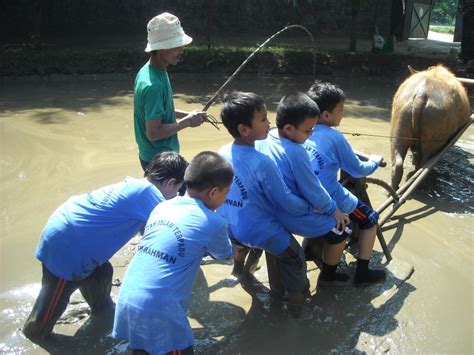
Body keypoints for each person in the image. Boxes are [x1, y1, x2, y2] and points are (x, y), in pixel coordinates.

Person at [22, 152, 188, 339]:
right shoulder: (149, 193)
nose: (175, 195)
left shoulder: (136, 187)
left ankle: (102, 313)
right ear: (170, 183)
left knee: (101, 274)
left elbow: (152, 231)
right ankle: (34, 335)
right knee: (50, 308)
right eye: (178, 189)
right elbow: (176, 225)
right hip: (67, 245)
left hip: (70, 230)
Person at [112, 151, 234, 355]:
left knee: (141, 350)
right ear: (213, 193)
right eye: (226, 193)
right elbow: (225, 255)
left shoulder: (162, 207)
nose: (225, 198)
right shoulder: (213, 222)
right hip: (160, 309)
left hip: (128, 298)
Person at [217, 91, 315, 316]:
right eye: (262, 119)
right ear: (244, 130)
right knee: (295, 257)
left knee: (242, 241)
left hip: (231, 228)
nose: (269, 123)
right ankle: (297, 309)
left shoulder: (222, 153)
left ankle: (239, 271)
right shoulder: (263, 162)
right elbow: (286, 202)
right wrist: (311, 206)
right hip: (259, 231)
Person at [255, 92, 354, 288]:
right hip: (291, 214)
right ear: (289, 128)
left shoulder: (264, 138)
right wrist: (335, 211)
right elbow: (314, 191)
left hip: (267, 208)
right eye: (308, 130)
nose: (311, 136)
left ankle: (311, 248)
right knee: (343, 230)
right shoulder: (296, 152)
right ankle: (328, 276)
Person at [304, 80, 386, 286]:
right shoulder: (334, 137)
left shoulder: (301, 132)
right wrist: (375, 161)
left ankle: (328, 273)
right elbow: (357, 169)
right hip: (328, 198)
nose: (343, 114)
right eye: (340, 110)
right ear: (326, 115)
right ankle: (362, 273)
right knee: (370, 219)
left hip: (303, 197)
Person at [135, 12, 206, 172]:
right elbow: (153, 133)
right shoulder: (153, 85)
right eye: (177, 46)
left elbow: (159, 112)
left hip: (155, 157)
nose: (181, 51)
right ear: (161, 49)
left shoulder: (152, 70)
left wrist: (189, 114)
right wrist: (187, 122)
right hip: (160, 162)